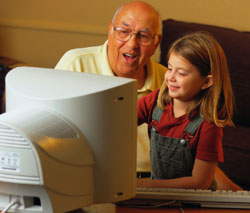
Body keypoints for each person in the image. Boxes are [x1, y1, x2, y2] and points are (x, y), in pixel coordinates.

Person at [55, 1, 166, 173]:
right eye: (124, 32)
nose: (131, 44)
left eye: (143, 36)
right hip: (90, 175)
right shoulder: (76, 64)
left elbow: (192, 148)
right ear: (110, 32)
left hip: (154, 183)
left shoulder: (168, 81)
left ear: (156, 43)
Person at [137, 31, 235, 189]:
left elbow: (199, 183)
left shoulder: (208, 126)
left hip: (193, 201)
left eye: (181, 73)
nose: (171, 77)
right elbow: (120, 120)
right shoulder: (154, 102)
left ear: (206, 82)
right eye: (169, 68)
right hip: (157, 195)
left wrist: (143, 184)